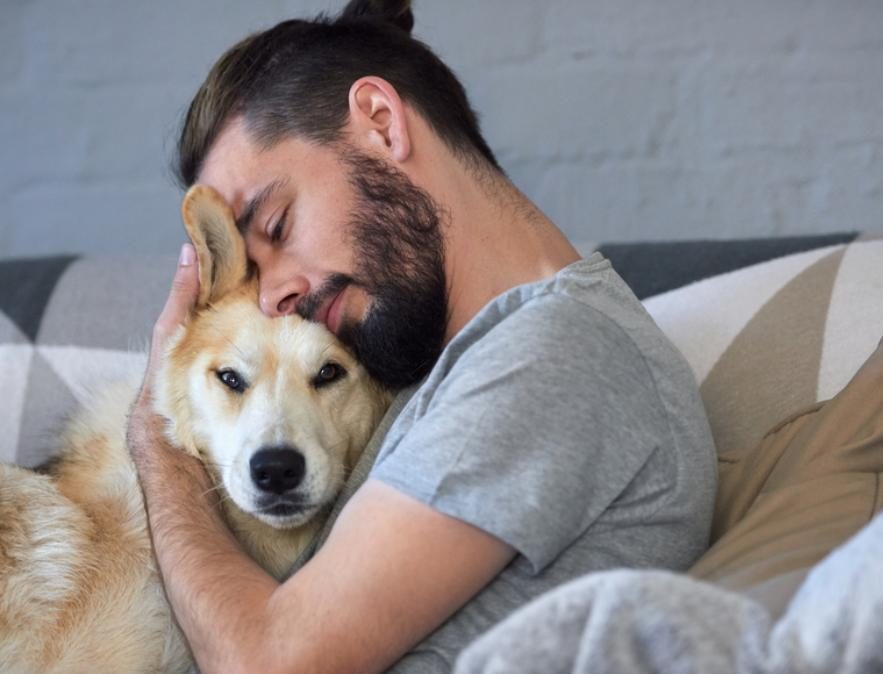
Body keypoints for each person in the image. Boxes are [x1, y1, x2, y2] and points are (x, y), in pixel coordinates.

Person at [126, 1, 718, 672]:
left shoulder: (554, 351)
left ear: (380, 122)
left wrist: (156, 429)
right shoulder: (446, 361)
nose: (273, 296)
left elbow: (268, 664)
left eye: (279, 225)